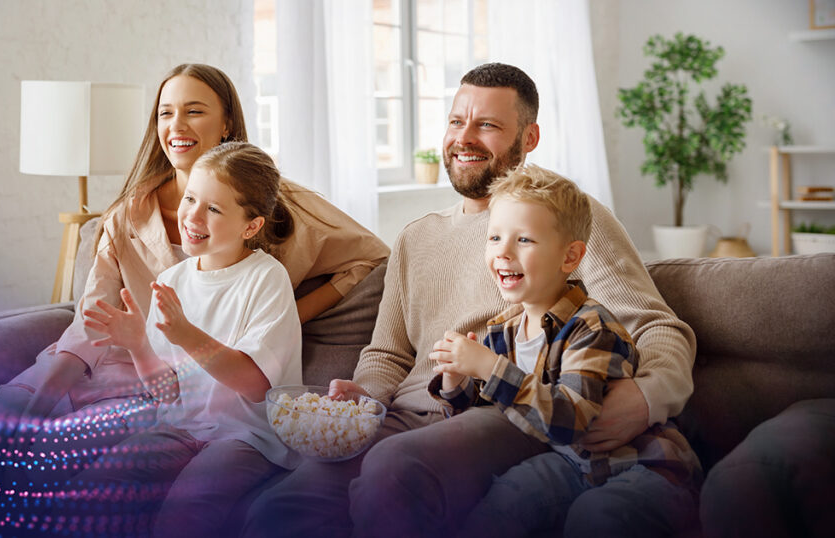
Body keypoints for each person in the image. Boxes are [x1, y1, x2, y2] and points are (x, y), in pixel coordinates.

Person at [242, 62, 695, 537]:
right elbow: (387, 353)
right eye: (457, 121)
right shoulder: (416, 237)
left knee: (394, 470)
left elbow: (654, 326)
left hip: (500, 410)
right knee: (278, 509)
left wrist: (647, 398)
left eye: (488, 125)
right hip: (407, 413)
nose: (465, 138)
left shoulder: (566, 220)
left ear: (530, 137)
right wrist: (365, 398)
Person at [0, 64, 388, 480]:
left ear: (226, 123)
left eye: (194, 111)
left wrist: (295, 314)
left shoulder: (274, 200)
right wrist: (40, 404)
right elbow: (91, 325)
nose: (176, 125)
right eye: (165, 113)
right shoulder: (127, 216)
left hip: (194, 395)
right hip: (126, 370)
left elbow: (371, 256)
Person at [429, 164, 701, 537]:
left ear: (570, 258)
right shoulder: (502, 330)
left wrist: (491, 368)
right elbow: (479, 407)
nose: (503, 252)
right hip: (573, 465)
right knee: (498, 509)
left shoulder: (592, 327)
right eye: (494, 238)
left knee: (595, 518)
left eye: (523, 240)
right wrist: (454, 379)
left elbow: (568, 420)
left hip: (643, 469)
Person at [70, 141, 303, 537]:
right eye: (190, 198)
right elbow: (169, 394)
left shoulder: (266, 278)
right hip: (181, 428)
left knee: (185, 515)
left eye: (213, 208)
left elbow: (254, 385)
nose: (192, 216)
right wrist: (139, 347)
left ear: (251, 226)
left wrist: (187, 334)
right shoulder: (171, 282)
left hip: (248, 437)